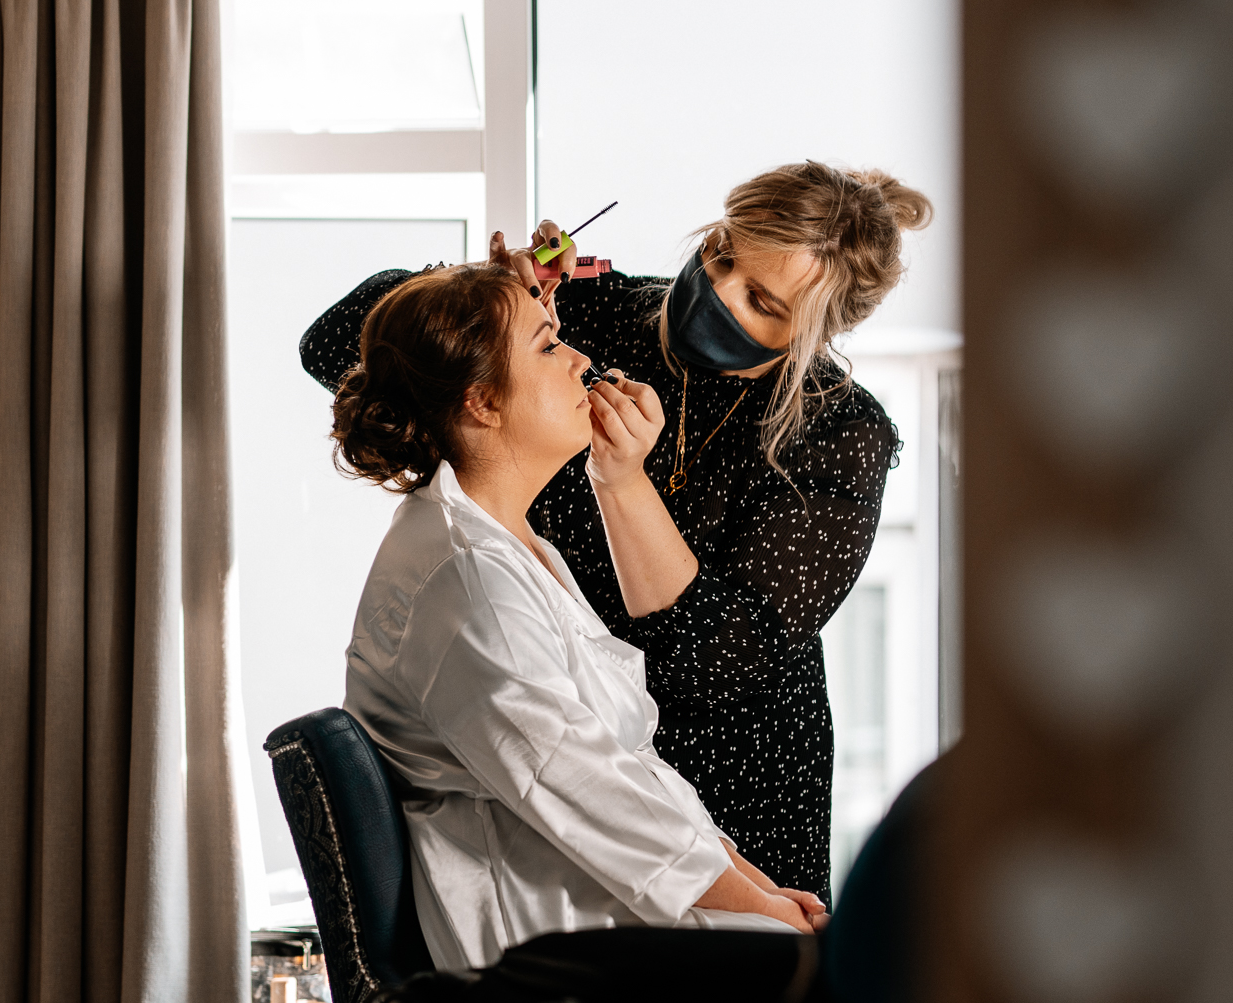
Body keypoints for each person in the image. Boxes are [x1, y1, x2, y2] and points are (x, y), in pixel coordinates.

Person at [303, 161, 932, 902]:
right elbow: (338, 346)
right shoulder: (595, 311)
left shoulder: (838, 431)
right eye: (723, 254)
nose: (719, 293)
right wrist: (495, 295)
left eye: (761, 301)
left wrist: (624, 483)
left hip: (735, 769)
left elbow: (714, 664)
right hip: (552, 709)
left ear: (817, 334)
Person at [334, 262, 829, 972]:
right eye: (546, 346)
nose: (581, 361)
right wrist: (761, 910)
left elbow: (629, 766)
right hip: (544, 945)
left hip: (592, 903)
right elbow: (584, 787)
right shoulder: (469, 582)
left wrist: (756, 885)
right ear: (482, 402)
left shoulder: (511, 544)